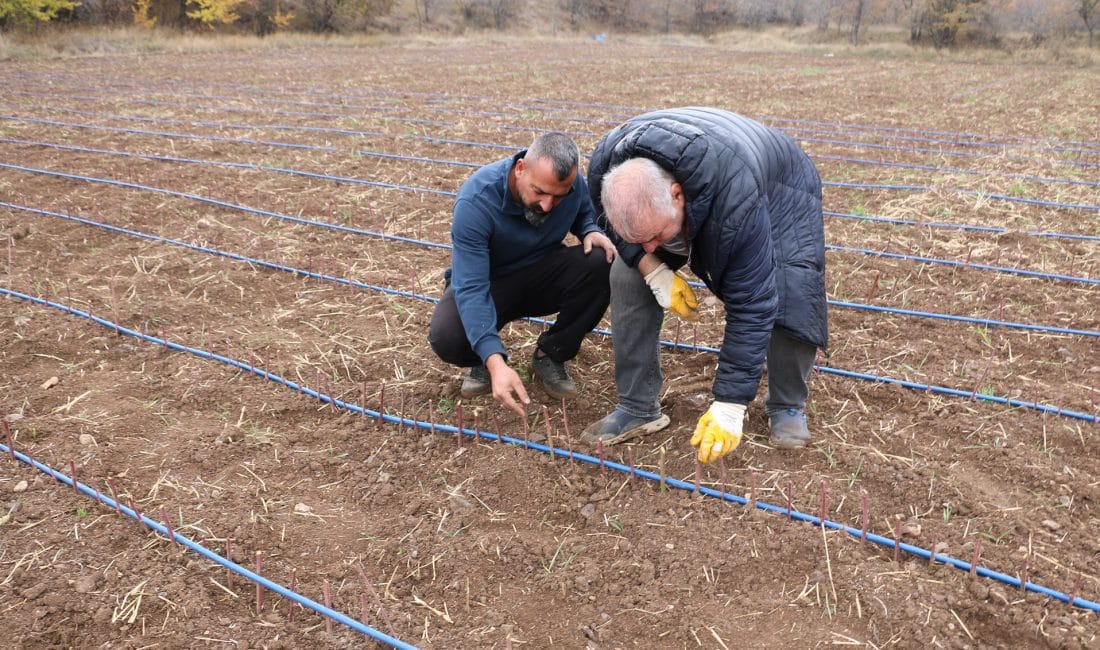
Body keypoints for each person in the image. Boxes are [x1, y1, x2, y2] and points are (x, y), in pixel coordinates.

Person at [581, 107, 827, 462]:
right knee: (627, 273)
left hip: (779, 184)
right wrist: (652, 269)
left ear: (677, 195)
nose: (651, 247)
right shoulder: (606, 169)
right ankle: (638, 405)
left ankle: (787, 405)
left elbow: (752, 303)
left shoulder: (735, 199)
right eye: (641, 238)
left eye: (655, 236)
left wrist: (729, 404)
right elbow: (625, 237)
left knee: (791, 283)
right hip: (708, 170)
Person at [428, 132, 617, 417]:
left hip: (541, 274)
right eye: (539, 192)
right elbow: (471, 287)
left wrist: (590, 229)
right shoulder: (477, 201)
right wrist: (495, 362)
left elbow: (582, 213)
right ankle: (482, 358)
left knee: (602, 259)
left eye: (558, 196)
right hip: (490, 283)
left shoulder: (571, 185)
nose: (547, 206)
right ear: (520, 170)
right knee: (448, 336)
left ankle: (550, 354)